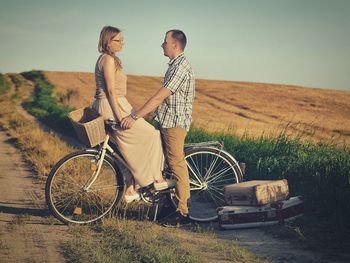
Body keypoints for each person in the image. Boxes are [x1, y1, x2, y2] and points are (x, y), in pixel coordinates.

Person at [121, 29, 195, 225]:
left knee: (176, 163)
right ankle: (169, 207)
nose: (162, 45)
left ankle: (183, 212)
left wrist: (135, 115)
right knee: (165, 165)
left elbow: (161, 95)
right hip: (166, 121)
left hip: (174, 123)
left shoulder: (181, 66)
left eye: (165, 41)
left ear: (175, 45)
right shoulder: (174, 65)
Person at [91, 26, 168, 203]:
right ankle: (156, 179)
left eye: (122, 39)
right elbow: (111, 91)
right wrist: (120, 118)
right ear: (107, 41)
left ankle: (131, 187)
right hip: (113, 107)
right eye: (118, 40)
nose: (122, 43)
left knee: (125, 149)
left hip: (110, 106)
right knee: (152, 134)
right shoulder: (108, 60)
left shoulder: (107, 59)